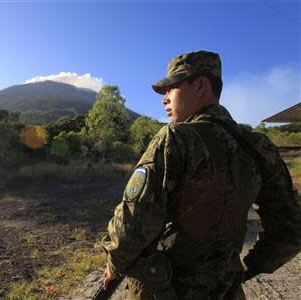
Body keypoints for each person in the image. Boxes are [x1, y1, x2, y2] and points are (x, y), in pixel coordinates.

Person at [101, 50, 301, 300]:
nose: (164, 99)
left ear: (200, 85)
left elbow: (131, 227)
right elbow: (292, 230)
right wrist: (243, 270)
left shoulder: (175, 138)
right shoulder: (259, 148)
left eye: (171, 88)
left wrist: (113, 263)